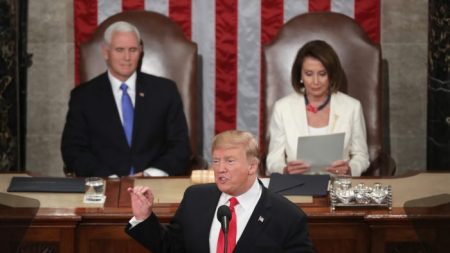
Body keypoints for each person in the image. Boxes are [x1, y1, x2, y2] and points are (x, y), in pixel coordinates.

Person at [126, 130, 314, 253]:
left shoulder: (287, 216)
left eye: (230, 161)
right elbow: (172, 248)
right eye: (216, 161)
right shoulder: (196, 198)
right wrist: (144, 217)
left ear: (252, 166)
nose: (220, 168)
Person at [61, 21, 191, 177]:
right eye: (119, 50)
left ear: (140, 51)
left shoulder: (165, 91)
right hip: (104, 185)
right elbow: (73, 149)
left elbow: (180, 146)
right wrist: (108, 178)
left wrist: (152, 174)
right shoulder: (83, 96)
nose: (127, 57)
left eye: (133, 50)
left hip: (155, 185)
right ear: (106, 52)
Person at [266, 40, 370, 176]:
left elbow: (362, 156)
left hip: (338, 186)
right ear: (300, 76)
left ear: (331, 75)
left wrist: (350, 169)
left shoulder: (352, 107)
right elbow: (273, 159)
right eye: (309, 74)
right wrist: (285, 170)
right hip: (297, 185)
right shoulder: (283, 107)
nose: (315, 82)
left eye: (322, 74)